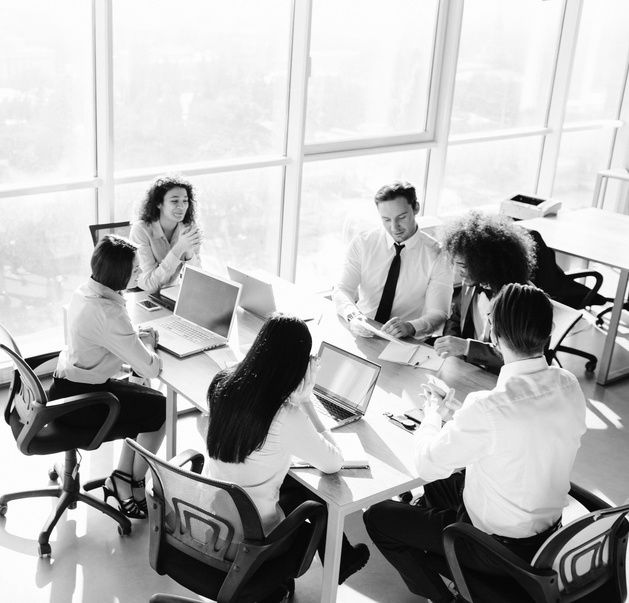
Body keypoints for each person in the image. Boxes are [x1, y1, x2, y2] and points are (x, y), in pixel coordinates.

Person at [363, 283, 587, 603]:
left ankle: (445, 597)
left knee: (379, 517)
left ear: (492, 335)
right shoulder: (569, 385)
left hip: (495, 549)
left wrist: (432, 415)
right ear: (548, 330)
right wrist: (460, 418)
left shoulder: (487, 407)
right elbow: (524, 438)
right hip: (549, 537)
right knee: (443, 486)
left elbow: (425, 463)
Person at [198, 313, 370, 592]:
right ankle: (340, 560)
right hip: (253, 539)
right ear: (296, 365)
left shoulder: (222, 385)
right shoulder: (284, 414)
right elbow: (333, 463)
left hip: (213, 520)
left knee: (298, 483)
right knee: (319, 499)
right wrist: (305, 402)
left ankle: (344, 559)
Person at [49, 234, 166, 520]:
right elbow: (151, 367)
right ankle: (132, 482)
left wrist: (131, 340)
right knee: (160, 409)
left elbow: (102, 335)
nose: (140, 272)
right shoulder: (110, 312)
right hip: (84, 404)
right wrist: (147, 345)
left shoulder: (86, 291)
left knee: (143, 396)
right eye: (136, 269)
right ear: (119, 274)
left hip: (65, 387)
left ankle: (121, 477)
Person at [333, 180, 453, 340]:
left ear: (416, 208)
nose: (394, 227)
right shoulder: (364, 243)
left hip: (405, 341)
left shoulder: (438, 255)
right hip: (362, 331)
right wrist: (353, 316)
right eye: (386, 220)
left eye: (401, 217)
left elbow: (438, 314)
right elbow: (342, 289)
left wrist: (410, 327)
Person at [433, 211, 536, 371]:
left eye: (463, 266)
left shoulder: (522, 299)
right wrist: (450, 341)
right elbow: (456, 318)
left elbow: (519, 358)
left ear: (487, 263)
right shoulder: (472, 281)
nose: (456, 273)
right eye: (455, 264)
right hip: (467, 369)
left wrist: (467, 348)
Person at [130, 173, 203, 292]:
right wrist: (179, 248)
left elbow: (198, 279)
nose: (182, 206)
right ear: (159, 203)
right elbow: (148, 285)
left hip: (175, 293)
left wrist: (189, 252)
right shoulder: (141, 230)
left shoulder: (189, 228)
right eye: (174, 201)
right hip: (145, 295)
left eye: (185, 201)